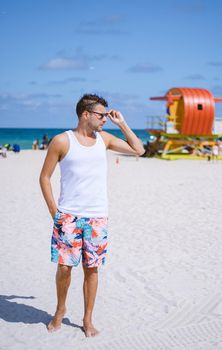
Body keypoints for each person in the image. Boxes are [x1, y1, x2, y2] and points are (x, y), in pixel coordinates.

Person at [39, 94, 145, 337]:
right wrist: (55, 213)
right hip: (68, 216)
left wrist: (122, 124)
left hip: (97, 217)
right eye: (102, 115)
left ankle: (87, 319)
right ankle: (60, 310)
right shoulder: (61, 141)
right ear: (85, 114)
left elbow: (138, 149)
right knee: (65, 268)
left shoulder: (104, 140)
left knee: (92, 269)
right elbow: (44, 177)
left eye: (107, 115)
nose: (105, 119)